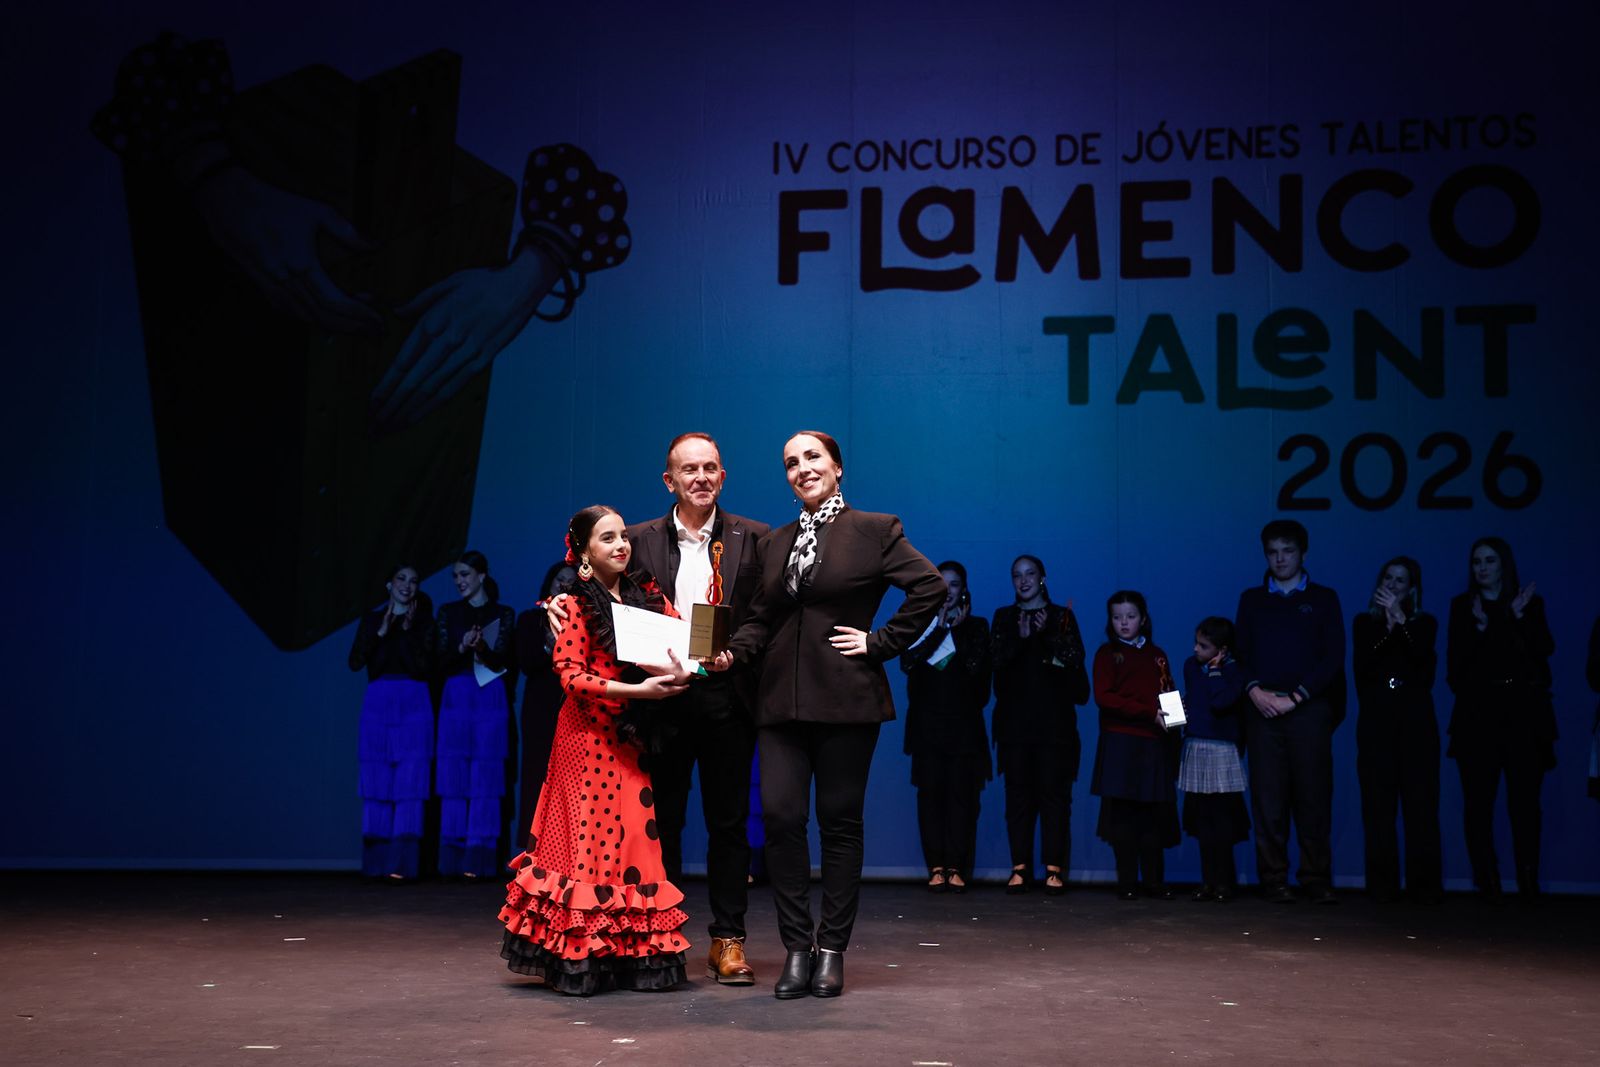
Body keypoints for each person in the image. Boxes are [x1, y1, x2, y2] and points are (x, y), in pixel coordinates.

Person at [711, 431, 945, 999]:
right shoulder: (776, 540)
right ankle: (797, 947)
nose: (801, 468)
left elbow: (929, 588)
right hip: (778, 703)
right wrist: (727, 654)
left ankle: (832, 949)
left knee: (840, 824)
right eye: (790, 462)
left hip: (845, 698)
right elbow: (760, 619)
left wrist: (881, 642)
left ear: (837, 467)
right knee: (782, 819)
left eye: (812, 457)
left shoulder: (875, 529)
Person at [615, 433, 770, 985]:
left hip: (727, 697)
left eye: (710, 469)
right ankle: (666, 937)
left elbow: (763, 615)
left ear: (722, 477)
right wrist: (556, 611)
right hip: (662, 701)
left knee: (729, 825)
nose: (701, 478)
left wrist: (738, 652)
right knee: (667, 825)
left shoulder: (755, 538)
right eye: (689, 470)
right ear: (670, 480)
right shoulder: (635, 540)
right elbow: (588, 588)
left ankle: (728, 942)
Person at [1235, 520, 1346, 904]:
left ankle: (1315, 877)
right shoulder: (1252, 599)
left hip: (1307, 709)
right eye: (1272, 551)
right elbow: (1240, 654)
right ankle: (1274, 879)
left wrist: (1296, 697)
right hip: (1262, 708)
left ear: (1302, 552)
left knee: (1313, 797)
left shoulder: (1324, 598)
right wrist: (1254, 691)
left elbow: (1332, 657)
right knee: (1269, 800)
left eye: (1288, 550)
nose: (1280, 558)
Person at [1446, 537, 1555, 901]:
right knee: (1478, 804)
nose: (1482, 567)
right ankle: (1487, 879)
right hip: (1478, 719)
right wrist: (1477, 629)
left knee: (1525, 803)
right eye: (1476, 561)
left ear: (1503, 564)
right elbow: (1455, 673)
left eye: (1489, 560)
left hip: (1523, 717)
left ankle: (1528, 879)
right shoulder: (1463, 607)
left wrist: (1520, 617)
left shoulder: (1528, 603)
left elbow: (1543, 652)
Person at [991, 555, 1087, 896]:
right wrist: (1020, 638)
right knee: (1018, 798)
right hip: (1015, 727)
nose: (1024, 580)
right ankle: (1019, 868)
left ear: (1043, 577)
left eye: (1030, 574)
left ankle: (1053, 868)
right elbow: (996, 670)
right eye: (1017, 575)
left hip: (1055, 727)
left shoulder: (1062, 617)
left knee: (1054, 798)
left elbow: (1076, 668)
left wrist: (1046, 635)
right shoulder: (1004, 618)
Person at [1353, 557, 1443, 904]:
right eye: (1387, 578)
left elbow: (1424, 668)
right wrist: (1388, 629)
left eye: (1400, 581)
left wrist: (1402, 622)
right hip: (1377, 726)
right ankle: (1382, 887)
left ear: (1411, 588)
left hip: (1416, 726)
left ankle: (1424, 888)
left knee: (1420, 808)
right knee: (1378, 809)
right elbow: (1364, 667)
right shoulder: (1364, 624)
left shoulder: (1424, 624)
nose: (1392, 586)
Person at [901, 560, 992, 894]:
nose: (948, 590)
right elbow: (907, 664)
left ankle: (956, 866)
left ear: (963, 589)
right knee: (931, 798)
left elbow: (978, 678)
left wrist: (959, 630)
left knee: (962, 800)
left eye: (954, 584)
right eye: (942, 583)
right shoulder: (921, 623)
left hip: (965, 729)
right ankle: (936, 867)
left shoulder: (978, 627)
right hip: (927, 728)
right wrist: (939, 628)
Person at [346, 565, 436, 880]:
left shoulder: (424, 621)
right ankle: (375, 864)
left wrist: (409, 631)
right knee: (377, 782)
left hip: (413, 701)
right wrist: (380, 633)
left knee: (409, 785)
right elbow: (356, 662)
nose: (407, 586)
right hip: (379, 702)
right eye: (401, 579)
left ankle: (402, 865)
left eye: (414, 581)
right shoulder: (372, 620)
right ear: (389, 584)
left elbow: (425, 668)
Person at [1090, 591, 1181, 900]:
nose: (1124, 622)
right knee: (1124, 818)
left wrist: (1176, 724)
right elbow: (1105, 697)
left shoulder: (1157, 655)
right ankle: (1127, 882)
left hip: (1153, 744)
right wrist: (1147, 712)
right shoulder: (1107, 654)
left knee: (1152, 817)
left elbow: (1169, 692)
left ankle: (1154, 881)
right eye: (1117, 617)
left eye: (1130, 616)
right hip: (1120, 743)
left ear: (1143, 618)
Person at [435, 550, 517, 878]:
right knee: (455, 775)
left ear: (482, 576)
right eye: (455, 576)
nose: (459, 582)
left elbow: (503, 662)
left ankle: (479, 859)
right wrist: (460, 648)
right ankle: (452, 858)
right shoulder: (448, 612)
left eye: (465, 575)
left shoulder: (503, 612)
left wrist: (482, 648)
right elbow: (437, 661)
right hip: (457, 695)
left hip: (489, 696)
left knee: (485, 777)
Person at [1177, 617, 1249, 902]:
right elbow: (1195, 700)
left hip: (1221, 750)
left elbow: (1221, 702)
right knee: (1203, 821)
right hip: (1196, 745)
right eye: (1196, 642)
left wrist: (1216, 670)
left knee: (1222, 821)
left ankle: (1225, 883)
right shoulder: (1191, 666)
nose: (1196, 649)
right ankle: (1208, 881)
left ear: (1222, 650)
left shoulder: (1234, 671)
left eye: (1204, 646)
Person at [513, 561, 579, 841]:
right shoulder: (530, 619)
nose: (563, 586)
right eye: (558, 581)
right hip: (540, 705)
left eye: (570, 582)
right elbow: (526, 663)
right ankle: (532, 844)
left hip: (574, 704)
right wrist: (550, 647)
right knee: (535, 773)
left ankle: (568, 842)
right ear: (548, 584)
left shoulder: (584, 620)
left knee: (572, 777)